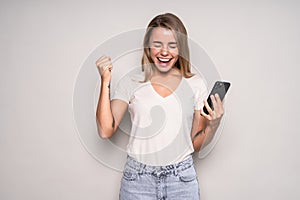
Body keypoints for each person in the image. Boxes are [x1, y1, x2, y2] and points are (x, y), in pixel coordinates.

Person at [95, 13, 224, 200]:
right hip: (137, 180)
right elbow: (105, 130)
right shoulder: (132, 81)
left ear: (181, 49)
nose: (165, 52)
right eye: (157, 44)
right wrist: (105, 80)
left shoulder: (195, 84)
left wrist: (214, 124)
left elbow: (196, 144)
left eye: (172, 45)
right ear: (148, 46)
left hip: (181, 180)